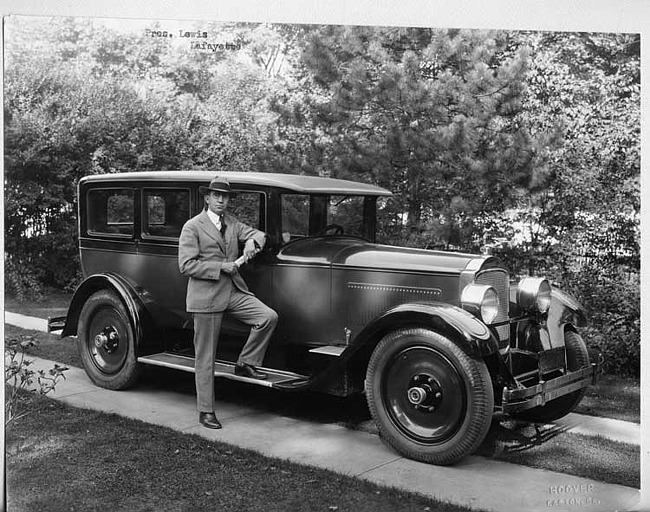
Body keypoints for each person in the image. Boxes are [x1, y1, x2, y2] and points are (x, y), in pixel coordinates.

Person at [178, 176, 278, 430]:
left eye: (225, 196)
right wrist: (221, 266)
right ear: (207, 198)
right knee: (206, 358)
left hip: (232, 291)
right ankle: (206, 411)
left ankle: (245, 364)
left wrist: (252, 243)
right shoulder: (193, 227)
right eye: (216, 196)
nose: (221, 200)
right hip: (206, 297)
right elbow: (186, 265)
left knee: (267, 317)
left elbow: (258, 234)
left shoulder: (232, 223)